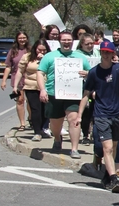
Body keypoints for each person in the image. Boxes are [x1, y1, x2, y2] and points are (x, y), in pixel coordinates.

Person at [81, 41, 119, 193]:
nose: (105, 54)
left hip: (116, 114)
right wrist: (79, 116)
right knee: (107, 147)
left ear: (113, 54)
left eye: (108, 52)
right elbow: (86, 94)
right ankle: (113, 178)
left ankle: (107, 175)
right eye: (103, 51)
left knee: (113, 147)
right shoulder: (94, 72)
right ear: (100, 53)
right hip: (101, 114)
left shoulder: (118, 68)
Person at [36, 30, 92, 159]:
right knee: (56, 123)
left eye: (69, 40)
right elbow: (40, 73)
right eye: (64, 40)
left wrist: (87, 74)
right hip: (53, 94)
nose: (67, 42)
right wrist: (42, 90)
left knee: (74, 120)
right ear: (59, 42)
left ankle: (74, 149)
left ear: (73, 42)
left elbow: (91, 73)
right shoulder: (50, 56)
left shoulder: (80, 57)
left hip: (73, 94)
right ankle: (57, 139)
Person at [17, 39, 49, 141]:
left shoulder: (49, 57)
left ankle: (43, 129)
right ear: (35, 48)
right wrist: (15, 86)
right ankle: (37, 132)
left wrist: (44, 59)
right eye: (39, 50)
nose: (42, 52)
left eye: (44, 50)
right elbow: (20, 71)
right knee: (36, 109)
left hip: (46, 87)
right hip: (31, 87)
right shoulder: (27, 57)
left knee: (45, 110)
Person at [1, 31, 31, 131]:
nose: (22, 40)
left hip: (30, 79)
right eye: (20, 38)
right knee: (20, 101)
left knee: (31, 102)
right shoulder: (13, 51)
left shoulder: (31, 50)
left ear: (27, 38)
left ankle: (31, 119)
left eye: (24, 38)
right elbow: (8, 67)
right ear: (17, 39)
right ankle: (22, 123)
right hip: (17, 80)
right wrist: (4, 81)